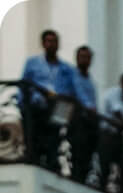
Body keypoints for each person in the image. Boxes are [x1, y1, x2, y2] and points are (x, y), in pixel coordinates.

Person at [19, 29, 74, 169]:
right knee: (35, 138)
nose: (51, 44)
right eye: (48, 41)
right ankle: (34, 159)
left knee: (54, 140)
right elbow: (24, 84)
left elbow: (70, 91)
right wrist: (22, 105)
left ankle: (52, 163)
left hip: (57, 108)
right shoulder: (32, 62)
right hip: (38, 106)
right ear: (43, 44)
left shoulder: (66, 68)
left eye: (54, 41)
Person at [67, 43, 98, 184]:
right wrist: (89, 108)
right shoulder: (73, 75)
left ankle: (84, 176)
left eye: (87, 57)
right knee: (78, 149)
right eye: (81, 57)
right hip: (78, 118)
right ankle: (77, 175)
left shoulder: (90, 80)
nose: (84, 60)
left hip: (89, 121)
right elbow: (79, 95)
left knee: (88, 151)